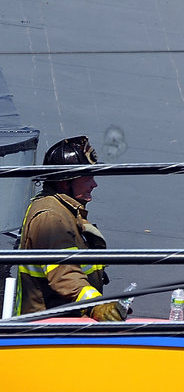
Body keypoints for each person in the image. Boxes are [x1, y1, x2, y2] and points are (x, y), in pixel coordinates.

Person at [15, 136, 126, 321]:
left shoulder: (64, 209)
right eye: (87, 177)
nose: (94, 184)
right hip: (46, 330)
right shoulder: (51, 216)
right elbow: (63, 273)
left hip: (62, 321)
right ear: (64, 183)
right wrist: (97, 305)